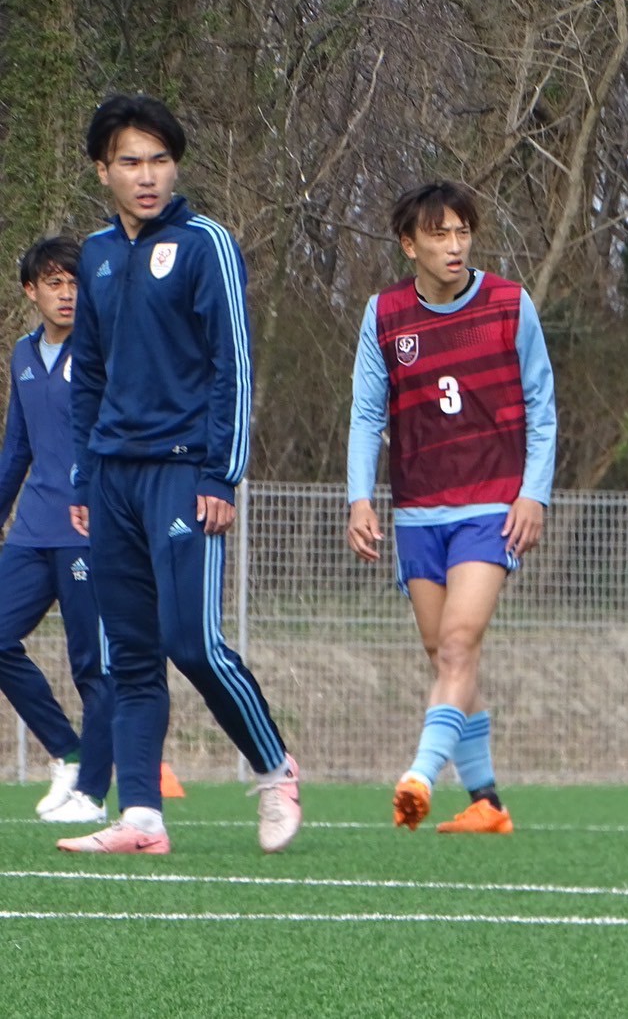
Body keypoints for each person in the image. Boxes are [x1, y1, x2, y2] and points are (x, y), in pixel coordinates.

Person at [59, 94, 301, 855]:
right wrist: (81, 481)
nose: (147, 176)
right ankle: (142, 817)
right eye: (130, 162)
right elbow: (87, 375)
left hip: (183, 472)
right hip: (111, 478)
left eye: (160, 160)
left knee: (191, 642)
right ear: (102, 170)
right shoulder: (95, 254)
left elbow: (234, 365)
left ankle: (275, 769)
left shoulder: (206, 245)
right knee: (128, 656)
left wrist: (220, 475)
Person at [346, 181, 555, 834]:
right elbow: (366, 414)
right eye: (439, 235)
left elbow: (542, 408)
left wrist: (533, 492)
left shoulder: (510, 304)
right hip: (416, 512)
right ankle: (487, 801)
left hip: (490, 507)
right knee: (445, 656)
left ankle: (420, 773)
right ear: (410, 245)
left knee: (461, 643)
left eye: (463, 232)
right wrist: (359, 498)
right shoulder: (384, 314)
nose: (454, 245)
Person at [0, 237, 113, 824]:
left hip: (86, 531)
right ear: (31, 291)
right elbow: (16, 447)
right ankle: (67, 754)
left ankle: (92, 792)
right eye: (54, 283)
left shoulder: (102, 351)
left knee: (91, 664)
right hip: (30, 532)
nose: (67, 293)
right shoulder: (22, 354)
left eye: (74, 282)